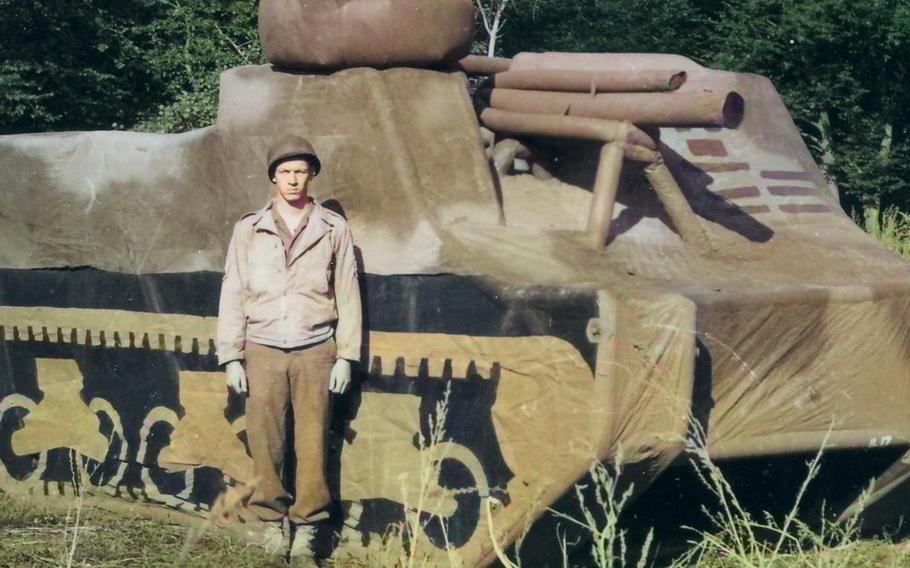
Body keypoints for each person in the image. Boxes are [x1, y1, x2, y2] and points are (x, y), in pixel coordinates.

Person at [216, 135, 362, 562]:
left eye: (300, 171)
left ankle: (307, 529)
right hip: (262, 348)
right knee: (267, 442)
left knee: (313, 441)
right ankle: (270, 522)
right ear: (273, 178)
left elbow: (348, 293)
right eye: (284, 172)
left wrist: (347, 357)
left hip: (316, 348)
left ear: (311, 174)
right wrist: (231, 356)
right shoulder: (249, 228)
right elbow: (233, 290)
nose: (293, 179)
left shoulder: (333, 228)